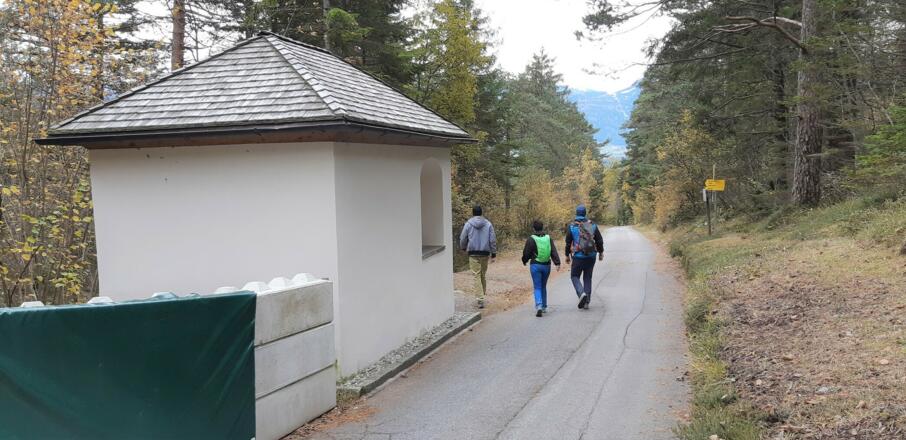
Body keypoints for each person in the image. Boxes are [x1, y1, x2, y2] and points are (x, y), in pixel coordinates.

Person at [564, 204, 604, 309]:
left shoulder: (572, 226)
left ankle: (581, 293)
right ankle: (587, 301)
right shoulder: (592, 225)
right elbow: (599, 240)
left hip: (578, 256)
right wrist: (601, 252)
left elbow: (568, 243)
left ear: (576, 213)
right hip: (591, 256)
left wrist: (567, 255)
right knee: (587, 277)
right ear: (585, 213)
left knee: (574, 276)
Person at [459, 205, 497, 309]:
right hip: (485, 253)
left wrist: (463, 247)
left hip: (473, 253)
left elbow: (463, 238)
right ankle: (482, 295)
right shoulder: (488, 224)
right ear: (481, 213)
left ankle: (480, 298)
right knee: (482, 275)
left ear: (473, 213)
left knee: (476, 275)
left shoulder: (468, 224)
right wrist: (493, 253)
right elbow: (492, 239)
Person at [521, 220, 561, 317]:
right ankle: (544, 306)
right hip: (546, 265)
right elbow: (553, 250)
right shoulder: (548, 238)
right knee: (543, 286)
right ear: (542, 227)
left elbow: (526, 252)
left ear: (534, 228)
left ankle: (538, 305)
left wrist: (524, 260)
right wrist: (557, 263)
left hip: (535, 265)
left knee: (537, 286)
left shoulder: (531, 239)